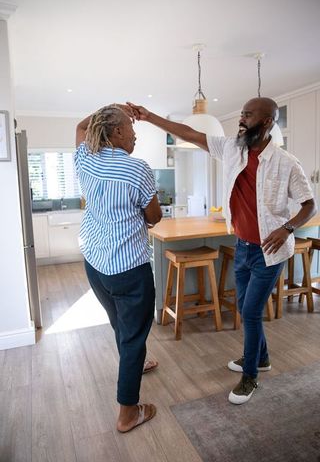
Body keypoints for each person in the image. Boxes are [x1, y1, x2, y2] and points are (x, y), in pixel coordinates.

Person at [127, 97, 316, 405]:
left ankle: (250, 375)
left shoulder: (286, 163)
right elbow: (189, 133)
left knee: (251, 312)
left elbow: (310, 205)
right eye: (241, 113)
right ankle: (262, 357)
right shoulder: (233, 149)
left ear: (267, 122)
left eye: (248, 115)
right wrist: (150, 117)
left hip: (270, 251)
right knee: (244, 307)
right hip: (241, 245)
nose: (241, 119)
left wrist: (287, 229)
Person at [74, 104, 162, 432]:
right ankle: (128, 412)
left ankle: (135, 362)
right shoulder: (137, 168)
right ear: (116, 133)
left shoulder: (85, 159)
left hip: (95, 265)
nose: (135, 133)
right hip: (129, 269)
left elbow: (80, 128)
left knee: (121, 325)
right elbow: (153, 217)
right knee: (134, 336)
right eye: (129, 126)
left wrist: (107, 109)